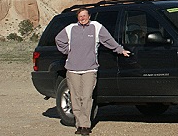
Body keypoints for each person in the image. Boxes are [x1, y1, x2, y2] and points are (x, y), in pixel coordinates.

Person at [55, 8, 130, 136]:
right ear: (77, 18)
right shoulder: (70, 28)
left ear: (89, 16)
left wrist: (120, 50)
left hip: (90, 69)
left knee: (87, 97)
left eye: (84, 15)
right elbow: (58, 39)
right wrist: (68, 50)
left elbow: (107, 40)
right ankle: (79, 124)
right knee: (75, 97)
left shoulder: (96, 27)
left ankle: (85, 125)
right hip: (73, 69)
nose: (82, 18)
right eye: (80, 16)